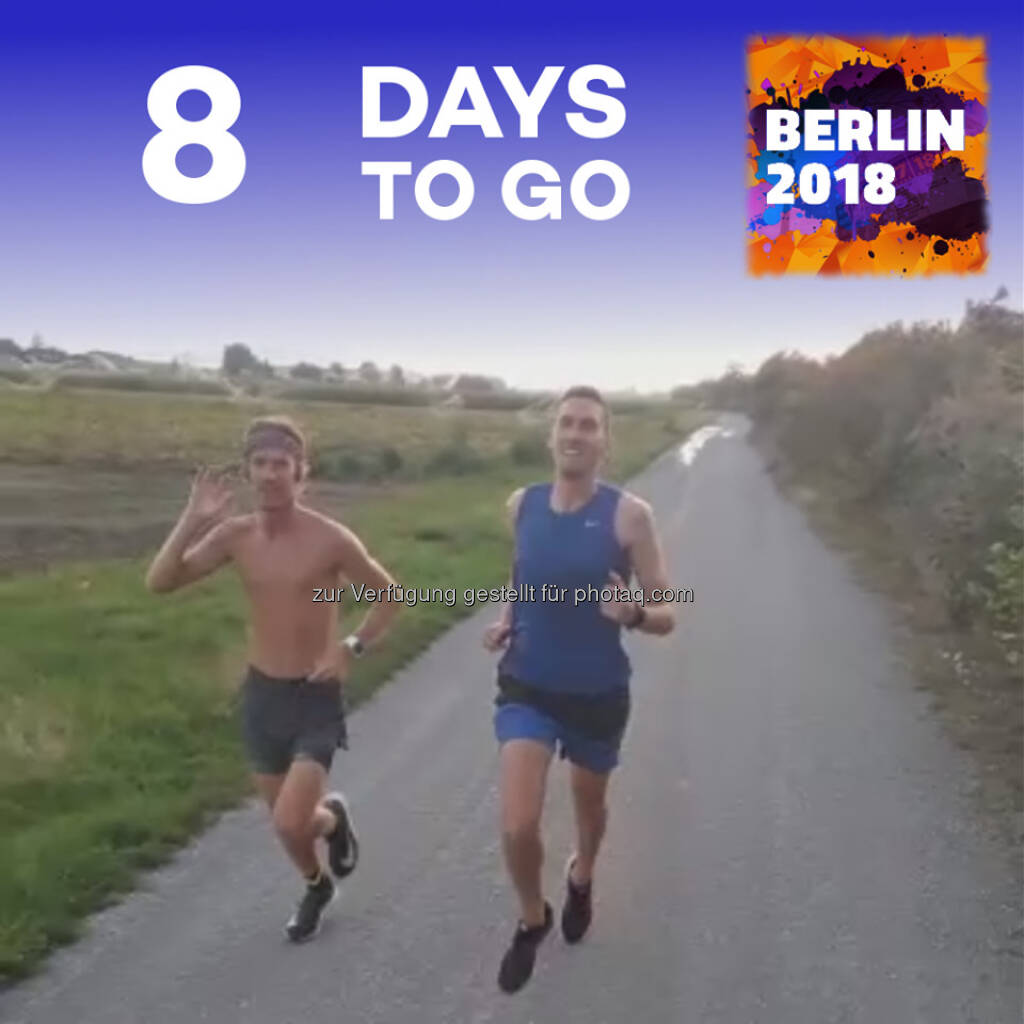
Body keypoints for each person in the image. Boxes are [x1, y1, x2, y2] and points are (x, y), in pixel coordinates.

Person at [145, 415, 400, 942]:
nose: (269, 474)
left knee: (288, 821)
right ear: (247, 472)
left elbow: (390, 595)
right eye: (259, 464)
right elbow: (160, 583)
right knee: (293, 821)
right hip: (262, 696)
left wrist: (350, 646)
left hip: (315, 696)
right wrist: (192, 519)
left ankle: (319, 864)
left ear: (301, 472)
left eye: (280, 464)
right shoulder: (235, 536)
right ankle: (321, 866)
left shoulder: (330, 539)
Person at [483, 385, 676, 993]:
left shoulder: (630, 516)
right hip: (527, 684)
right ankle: (532, 918)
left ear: (604, 442)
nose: (575, 433)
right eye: (566, 422)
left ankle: (583, 875)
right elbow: (522, 575)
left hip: (596, 693)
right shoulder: (522, 505)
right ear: (551, 436)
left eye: (588, 425)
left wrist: (635, 615)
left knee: (589, 808)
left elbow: (668, 611)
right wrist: (508, 618)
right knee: (517, 825)